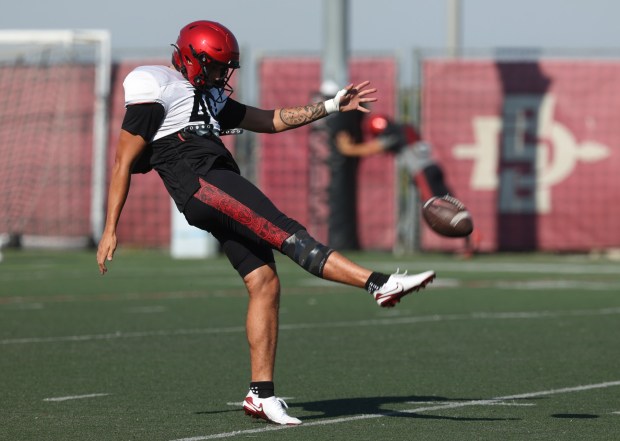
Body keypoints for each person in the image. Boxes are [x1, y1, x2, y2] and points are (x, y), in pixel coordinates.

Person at [96, 20, 436, 426]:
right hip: (199, 179)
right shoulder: (155, 84)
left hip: (216, 179)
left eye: (227, 69)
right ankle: (378, 283)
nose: (223, 76)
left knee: (264, 281)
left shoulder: (208, 98)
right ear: (191, 57)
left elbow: (271, 119)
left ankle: (261, 395)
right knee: (286, 233)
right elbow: (123, 160)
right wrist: (110, 227)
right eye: (217, 67)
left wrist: (330, 106)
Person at [336, 115, 479, 256]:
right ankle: (470, 238)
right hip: (433, 168)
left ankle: (471, 235)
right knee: (450, 203)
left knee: (434, 208)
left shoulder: (394, 136)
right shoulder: (404, 130)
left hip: (423, 173)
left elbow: (368, 149)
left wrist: (347, 148)